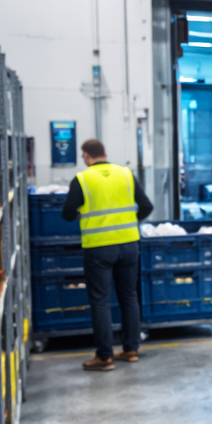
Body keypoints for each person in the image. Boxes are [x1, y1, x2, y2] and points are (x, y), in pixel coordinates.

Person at [63, 139, 153, 371]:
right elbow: (146, 206)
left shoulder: (82, 179)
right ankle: (131, 349)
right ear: (104, 153)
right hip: (129, 244)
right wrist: (130, 222)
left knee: (101, 302)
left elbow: (67, 214)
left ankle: (105, 357)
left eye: (83, 156)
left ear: (86, 155)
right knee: (129, 296)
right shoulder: (126, 174)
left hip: (99, 248)